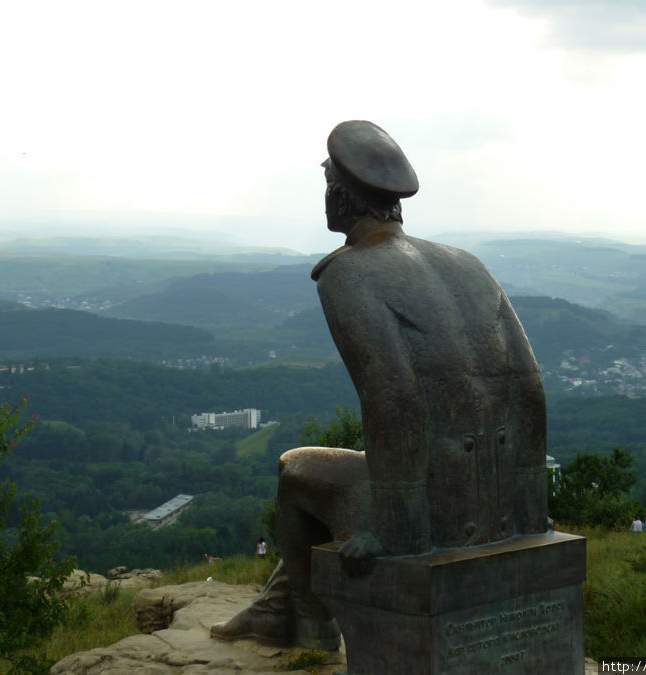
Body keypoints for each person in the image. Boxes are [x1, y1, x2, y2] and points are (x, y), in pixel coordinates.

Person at [210, 120, 548, 649]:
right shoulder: (470, 264)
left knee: (296, 470)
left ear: (342, 197)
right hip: (504, 503)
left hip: (433, 513)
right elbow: (529, 388)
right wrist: (531, 515)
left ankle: (307, 625)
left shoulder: (350, 272)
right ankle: (277, 606)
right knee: (350, 472)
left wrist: (398, 531)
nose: (324, 199)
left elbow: (394, 397)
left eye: (327, 187)